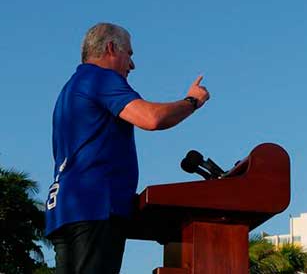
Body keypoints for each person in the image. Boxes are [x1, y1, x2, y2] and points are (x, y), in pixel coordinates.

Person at [45, 23, 210, 274]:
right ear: (111, 48)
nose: (132, 65)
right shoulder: (100, 77)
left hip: (66, 210)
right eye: (129, 54)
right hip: (96, 208)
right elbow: (151, 118)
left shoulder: (70, 89)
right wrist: (192, 101)